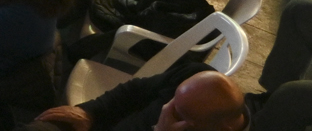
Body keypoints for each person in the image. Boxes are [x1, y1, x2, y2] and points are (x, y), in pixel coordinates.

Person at [27, 60, 247, 131]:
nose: (165, 109)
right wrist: (89, 111)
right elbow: (135, 90)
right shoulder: (195, 76)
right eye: (171, 100)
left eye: (177, 115)